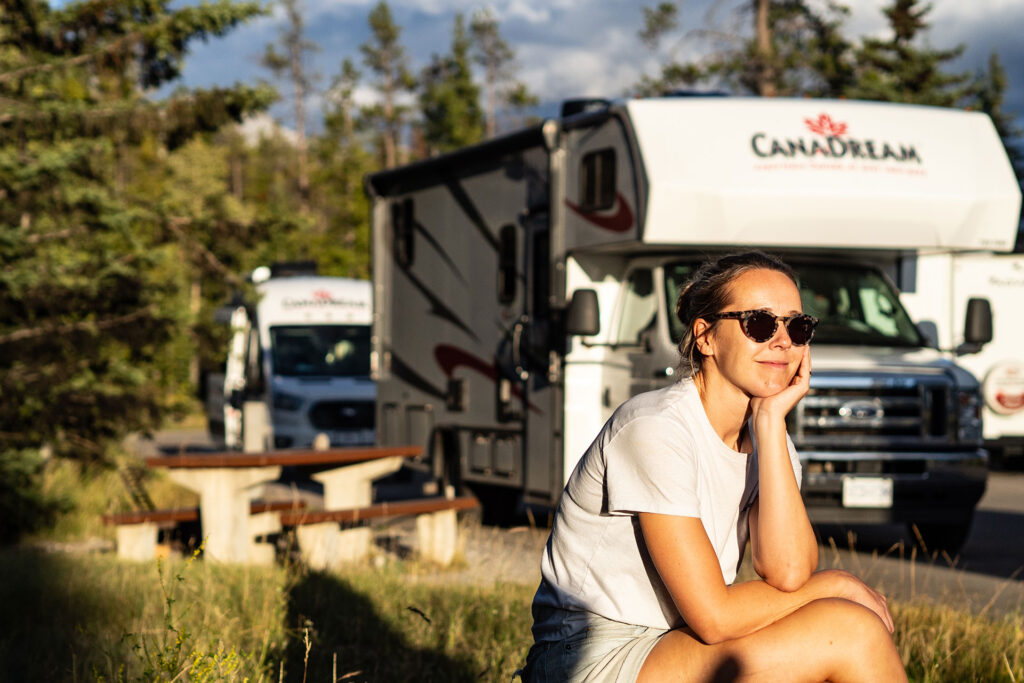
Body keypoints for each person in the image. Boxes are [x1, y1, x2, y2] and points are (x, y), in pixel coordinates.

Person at [519, 251, 906, 682]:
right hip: (588, 654)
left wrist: (770, 423)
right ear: (705, 337)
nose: (782, 341)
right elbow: (714, 617)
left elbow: (789, 572)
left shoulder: (769, 437)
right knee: (850, 631)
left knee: (844, 630)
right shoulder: (656, 427)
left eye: (798, 327)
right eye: (760, 323)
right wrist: (835, 584)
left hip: (677, 641)